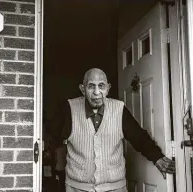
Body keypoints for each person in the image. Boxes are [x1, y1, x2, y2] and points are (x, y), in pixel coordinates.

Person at [47, 68, 175, 192]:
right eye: (91, 86)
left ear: (108, 88)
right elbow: (51, 135)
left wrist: (157, 157)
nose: (97, 92)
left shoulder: (119, 109)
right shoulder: (68, 109)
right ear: (83, 89)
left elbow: (138, 137)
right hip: (77, 187)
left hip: (115, 188)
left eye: (101, 86)